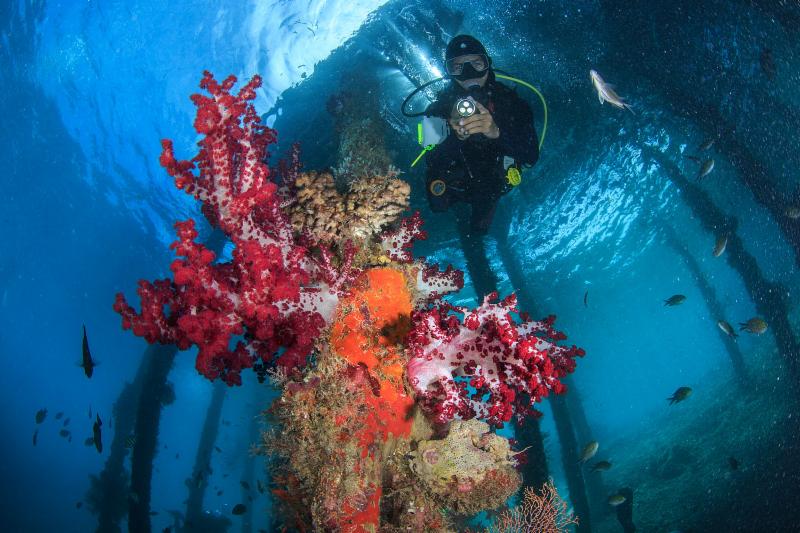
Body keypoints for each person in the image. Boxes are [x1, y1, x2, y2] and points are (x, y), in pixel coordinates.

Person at [424, 35, 539, 234]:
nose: (470, 73)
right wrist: (455, 137)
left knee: (479, 229)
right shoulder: (435, 111)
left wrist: (496, 132)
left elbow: (531, 156)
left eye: (477, 64)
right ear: (449, 72)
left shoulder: (512, 103)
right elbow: (431, 162)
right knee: (438, 205)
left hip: (492, 185)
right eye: (458, 67)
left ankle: (478, 229)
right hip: (457, 186)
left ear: (488, 64)